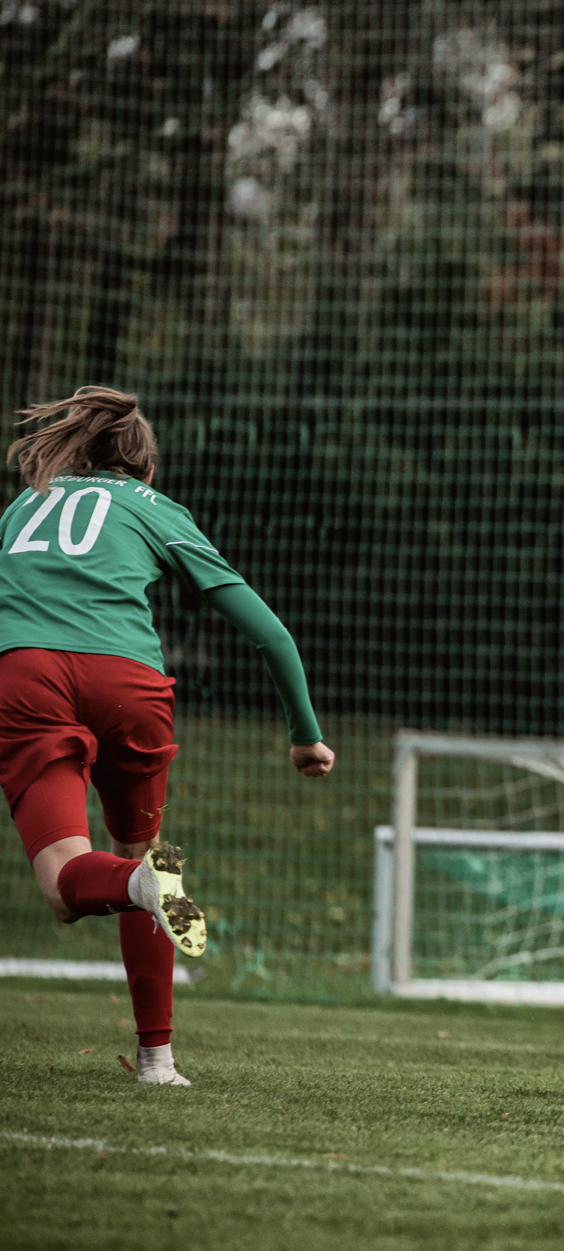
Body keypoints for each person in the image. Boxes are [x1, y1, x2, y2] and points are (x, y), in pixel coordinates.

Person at [0, 386, 334, 1086]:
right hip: (130, 686)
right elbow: (268, 631)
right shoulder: (155, 510)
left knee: (66, 887)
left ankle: (141, 884)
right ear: (146, 470)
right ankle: (158, 1059)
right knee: (144, 854)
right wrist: (305, 735)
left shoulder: (21, 507)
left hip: (25, 675)